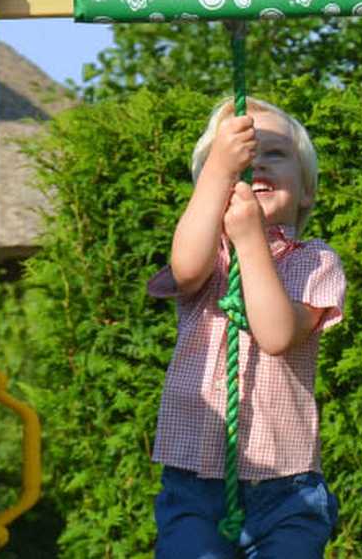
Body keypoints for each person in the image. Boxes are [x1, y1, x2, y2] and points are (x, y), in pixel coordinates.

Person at [148, 97, 345, 559]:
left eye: (275, 153)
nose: (254, 163)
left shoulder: (314, 261)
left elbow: (276, 335)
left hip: (286, 489)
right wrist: (218, 170)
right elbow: (185, 266)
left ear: (307, 191)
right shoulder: (208, 255)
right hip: (194, 481)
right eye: (240, 155)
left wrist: (251, 239)